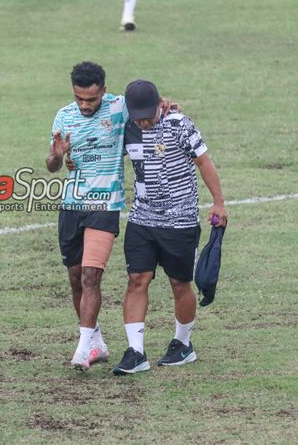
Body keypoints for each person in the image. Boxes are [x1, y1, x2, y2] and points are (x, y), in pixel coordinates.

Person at [112, 80, 228, 375]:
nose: (144, 121)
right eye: (138, 116)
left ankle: (183, 344)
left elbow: (203, 162)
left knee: (179, 283)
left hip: (180, 220)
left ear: (158, 105)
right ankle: (135, 352)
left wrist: (218, 203)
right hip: (142, 218)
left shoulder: (179, 124)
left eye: (148, 115)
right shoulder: (128, 127)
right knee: (137, 279)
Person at [46, 61, 130, 371]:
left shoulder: (120, 107)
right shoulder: (64, 115)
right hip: (71, 206)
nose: (84, 105)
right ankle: (95, 341)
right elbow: (52, 165)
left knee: (91, 276)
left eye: (91, 99)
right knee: (75, 279)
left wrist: (166, 103)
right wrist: (56, 155)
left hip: (105, 205)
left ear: (104, 92)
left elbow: (150, 103)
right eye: (79, 98)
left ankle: (82, 351)